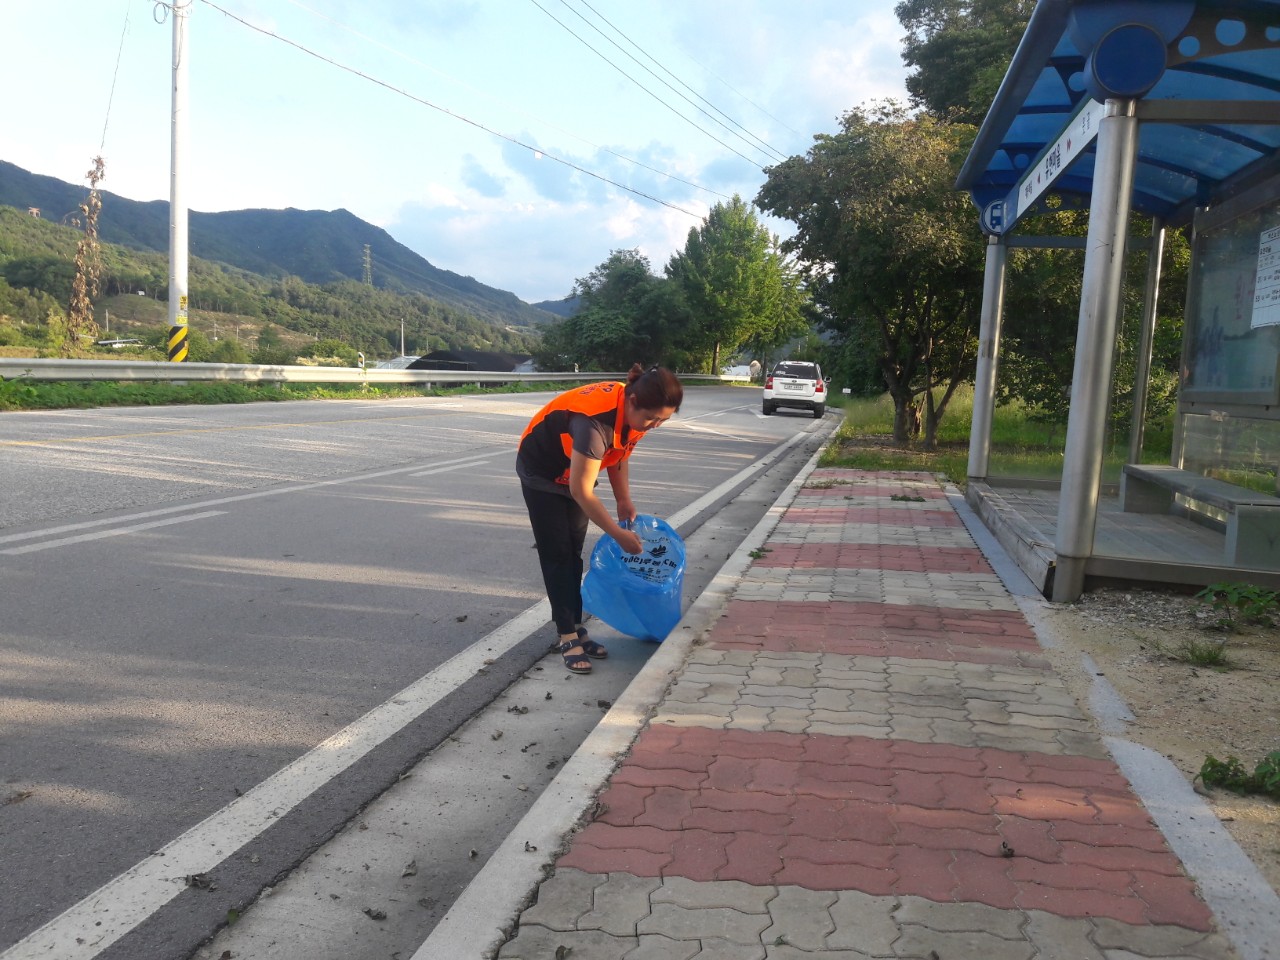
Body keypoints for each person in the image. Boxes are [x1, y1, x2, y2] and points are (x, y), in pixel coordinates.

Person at [516, 364, 683, 674]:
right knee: (557, 553)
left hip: (574, 468)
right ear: (632, 401)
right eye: (652, 418)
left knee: (573, 551)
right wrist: (618, 535)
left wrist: (623, 499)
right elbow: (581, 491)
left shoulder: (636, 415)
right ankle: (566, 634)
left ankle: (575, 625)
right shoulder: (593, 424)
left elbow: (619, 453)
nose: (655, 425)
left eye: (663, 420)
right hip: (542, 470)